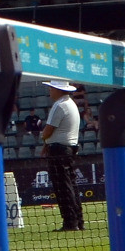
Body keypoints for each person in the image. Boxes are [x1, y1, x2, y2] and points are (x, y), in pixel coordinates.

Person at [40, 80, 83, 232]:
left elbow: (48, 131)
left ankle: (70, 222)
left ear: (58, 90)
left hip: (59, 151)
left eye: (51, 88)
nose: (50, 91)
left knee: (62, 187)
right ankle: (78, 220)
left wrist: (44, 139)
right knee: (70, 185)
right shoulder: (70, 104)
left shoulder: (59, 105)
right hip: (68, 149)